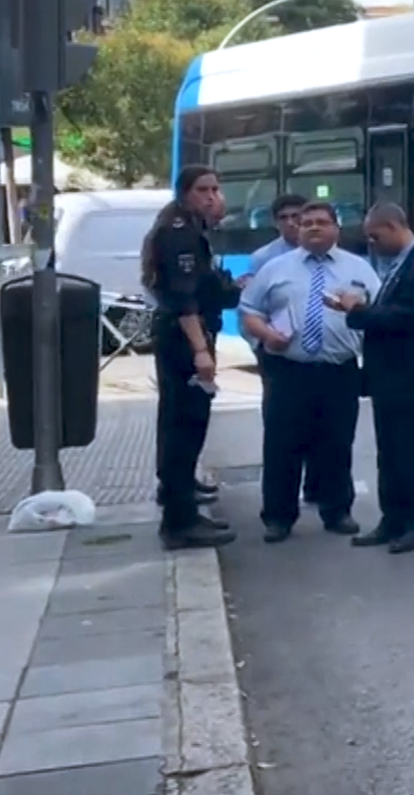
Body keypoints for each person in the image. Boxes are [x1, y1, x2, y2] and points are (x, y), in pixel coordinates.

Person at [239, 202, 379, 543]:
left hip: (338, 371)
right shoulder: (275, 269)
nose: (313, 228)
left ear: (336, 228)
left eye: (321, 222)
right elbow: (249, 312)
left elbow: (379, 309)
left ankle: (337, 511)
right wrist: (267, 335)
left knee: (336, 443)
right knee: (281, 445)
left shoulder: (358, 268)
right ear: (297, 230)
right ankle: (278, 517)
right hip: (289, 371)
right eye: (306, 224)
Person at [330, 203, 414, 554]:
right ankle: (392, 518)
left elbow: (404, 318)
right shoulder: (398, 264)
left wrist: (358, 310)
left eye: (375, 236)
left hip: (411, 375)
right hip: (388, 376)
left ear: (394, 226)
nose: (372, 244)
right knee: (389, 452)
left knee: (413, 452)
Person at [143, 165, 244, 550]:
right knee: (184, 426)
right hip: (183, 339)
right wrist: (200, 350)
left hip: (187, 334)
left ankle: (182, 507)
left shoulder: (190, 228)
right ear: (185, 193)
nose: (213, 196)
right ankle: (180, 522)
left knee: (184, 423)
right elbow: (183, 298)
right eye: (204, 189)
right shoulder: (180, 233)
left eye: (217, 188)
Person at [248, 193, 322, 507]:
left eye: (298, 217)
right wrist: (264, 343)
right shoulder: (264, 260)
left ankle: (320, 490)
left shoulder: (331, 255)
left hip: (322, 359)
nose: (292, 224)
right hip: (279, 357)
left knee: (323, 428)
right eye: (284, 218)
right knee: (282, 432)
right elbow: (250, 309)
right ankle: (279, 508)